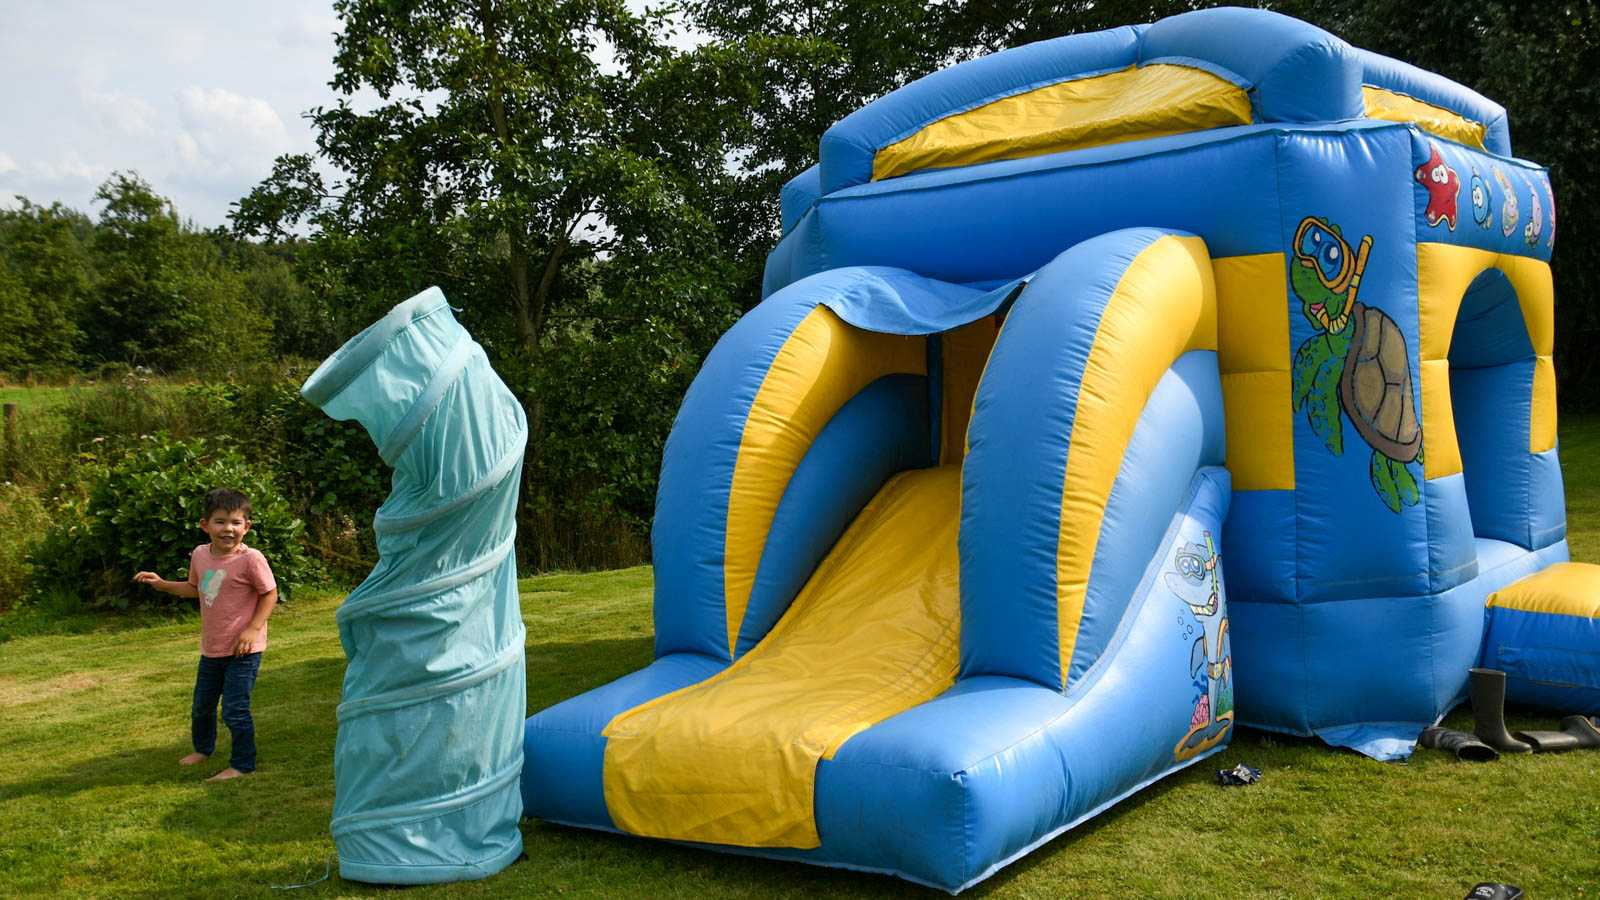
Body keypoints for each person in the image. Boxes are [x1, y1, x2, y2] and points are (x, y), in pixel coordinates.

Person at [134, 487, 278, 781]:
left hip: (243, 650)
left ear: (247, 527)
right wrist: (162, 584)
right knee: (202, 706)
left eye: (236, 522)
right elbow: (195, 588)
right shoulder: (200, 555)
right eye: (220, 521)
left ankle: (242, 765)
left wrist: (252, 630)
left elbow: (270, 594)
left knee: (235, 709)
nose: (228, 529)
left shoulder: (251, 559)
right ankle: (203, 749)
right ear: (205, 525)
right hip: (212, 648)